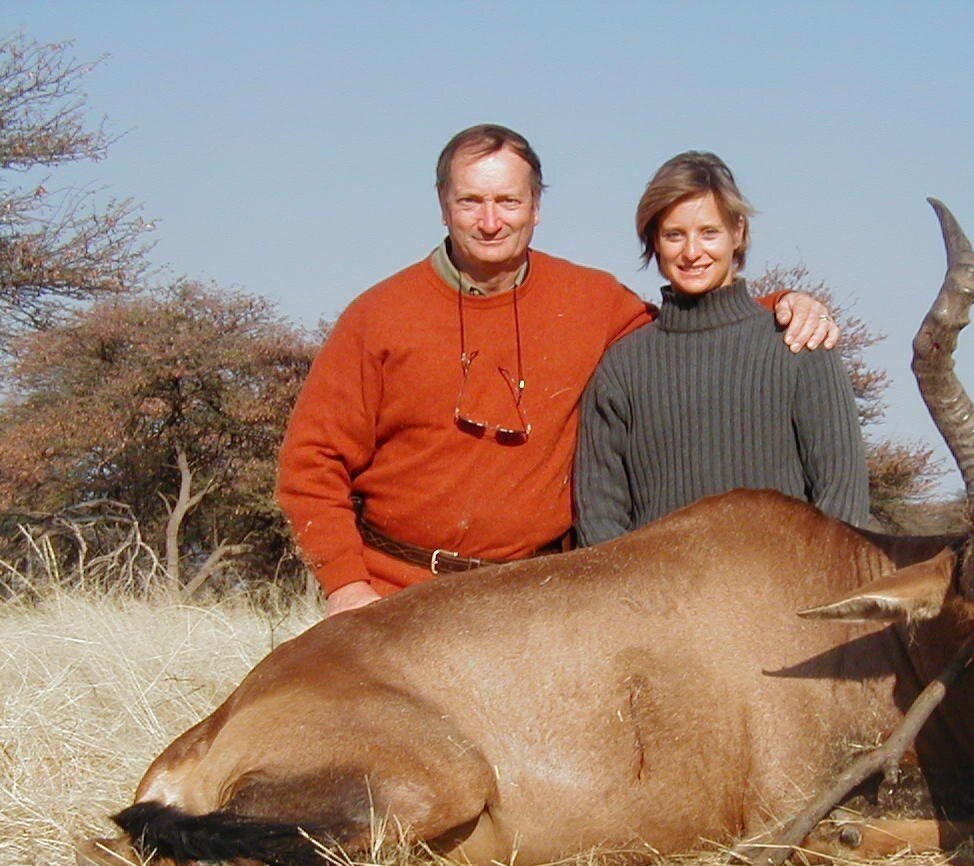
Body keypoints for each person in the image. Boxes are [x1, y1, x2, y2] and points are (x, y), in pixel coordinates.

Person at [277, 125, 839, 617]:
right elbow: (310, 464)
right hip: (400, 595)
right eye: (472, 201)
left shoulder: (591, 301)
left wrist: (779, 309)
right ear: (443, 204)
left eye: (509, 201)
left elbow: (686, 330)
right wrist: (347, 586)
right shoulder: (378, 317)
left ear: (537, 206)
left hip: (539, 601)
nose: (491, 221)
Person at [574, 151, 869, 546]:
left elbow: (842, 500)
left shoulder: (800, 345)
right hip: (657, 600)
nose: (692, 252)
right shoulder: (621, 368)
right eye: (674, 235)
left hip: (783, 598)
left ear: (738, 233)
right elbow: (599, 518)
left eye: (709, 232)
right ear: (654, 242)